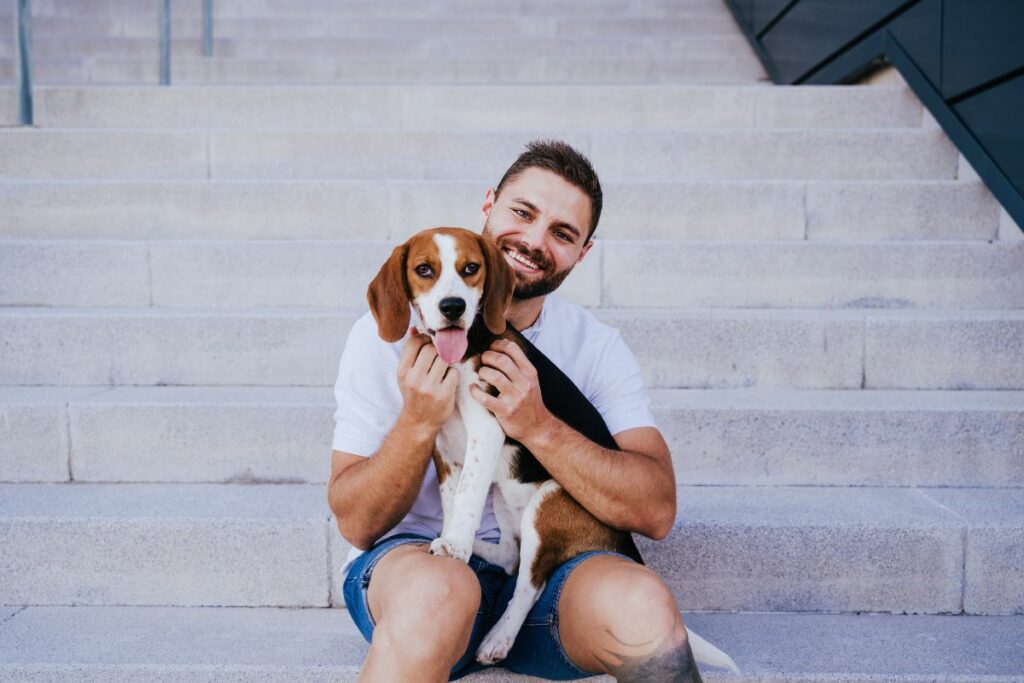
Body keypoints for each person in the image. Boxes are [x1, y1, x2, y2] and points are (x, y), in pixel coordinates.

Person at [327, 140, 701, 682]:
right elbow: (357, 523)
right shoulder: (381, 339)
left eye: (562, 233)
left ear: (582, 254)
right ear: (489, 205)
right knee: (438, 594)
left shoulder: (597, 347)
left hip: (551, 579)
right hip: (416, 565)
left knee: (643, 607)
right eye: (522, 213)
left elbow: (656, 511)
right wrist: (418, 421)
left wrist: (538, 426)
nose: (533, 241)